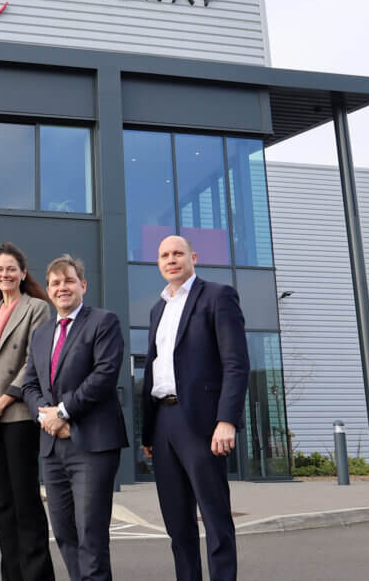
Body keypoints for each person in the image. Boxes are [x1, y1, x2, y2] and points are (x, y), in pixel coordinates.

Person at [140, 235, 250, 581]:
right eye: (163, 255)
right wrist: (149, 431)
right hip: (163, 421)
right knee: (177, 522)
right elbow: (154, 369)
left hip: (202, 423)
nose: (170, 259)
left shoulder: (217, 296)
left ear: (193, 257)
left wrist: (226, 420)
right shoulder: (158, 307)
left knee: (215, 517)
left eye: (177, 253)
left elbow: (236, 363)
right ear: (158, 263)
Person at [23, 254, 129, 581]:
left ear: (83, 285)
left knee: (91, 534)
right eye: (55, 283)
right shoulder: (41, 334)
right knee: (65, 533)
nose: (62, 287)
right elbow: (28, 384)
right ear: (49, 290)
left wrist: (64, 411)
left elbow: (105, 374)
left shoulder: (103, 321)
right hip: (52, 446)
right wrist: (46, 416)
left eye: (69, 280)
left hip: (92, 444)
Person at [0, 242, 55, 581]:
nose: (5, 274)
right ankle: (12, 575)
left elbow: (33, 364)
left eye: (11, 269)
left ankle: (37, 575)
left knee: (25, 500)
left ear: (22, 273)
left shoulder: (37, 308)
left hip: (16, 416)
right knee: (2, 502)